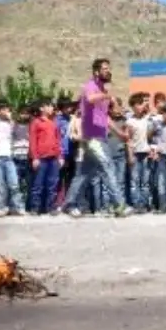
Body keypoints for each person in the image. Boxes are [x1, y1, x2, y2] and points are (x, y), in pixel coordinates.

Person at [62, 59, 128, 217]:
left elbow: (104, 118)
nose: (108, 71)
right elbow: (90, 98)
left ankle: (69, 204)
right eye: (104, 68)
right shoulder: (90, 85)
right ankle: (119, 205)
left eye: (109, 68)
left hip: (99, 135)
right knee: (107, 167)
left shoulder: (101, 91)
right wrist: (106, 95)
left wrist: (119, 133)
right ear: (96, 72)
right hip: (92, 136)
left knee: (83, 174)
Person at [0, 100, 24, 217]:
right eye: (2, 109)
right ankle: (0, 207)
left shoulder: (11, 123)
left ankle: (17, 207)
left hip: (9, 157)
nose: (5, 111)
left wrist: (9, 118)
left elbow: (16, 130)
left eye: (7, 109)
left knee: (14, 184)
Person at [28, 99, 63, 215]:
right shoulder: (36, 122)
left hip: (53, 158)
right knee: (38, 184)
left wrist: (60, 156)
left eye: (52, 106)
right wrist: (35, 157)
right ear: (42, 108)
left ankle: (50, 207)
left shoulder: (54, 123)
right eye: (49, 106)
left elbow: (58, 141)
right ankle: (35, 207)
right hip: (41, 158)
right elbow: (33, 141)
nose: (52, 108)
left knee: (52, 183)